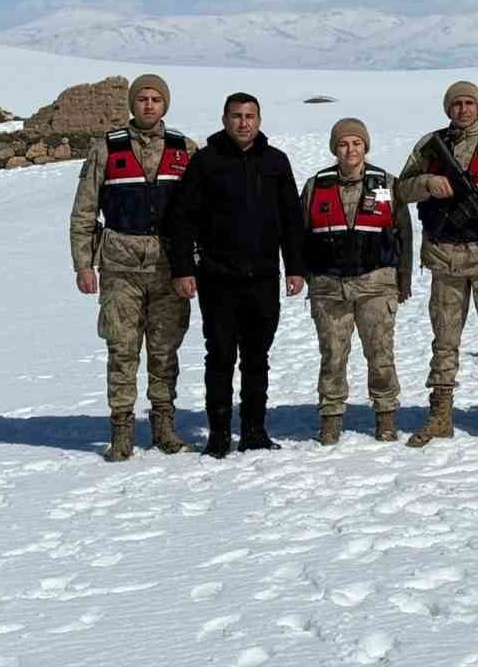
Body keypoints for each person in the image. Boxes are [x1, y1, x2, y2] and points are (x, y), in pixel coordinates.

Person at [165, 92, 306, 457]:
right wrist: (183, 269)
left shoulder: (275, 161)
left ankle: (254, 430)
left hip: (262, 276)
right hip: (217, 277)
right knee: (221, 355)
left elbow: (291, 219)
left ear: (259, 120)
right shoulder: (207, 161)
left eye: (250, 116)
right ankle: (218, 433)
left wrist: (295, 268)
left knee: (257, 356)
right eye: (236, 116)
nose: (244, 123)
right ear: (224, 119)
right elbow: (182, 220)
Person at [68, 73, 200, 461]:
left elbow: (202, 212)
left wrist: (197, 264)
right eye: (141, 99)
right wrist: (83, 264)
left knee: (164, 350)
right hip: (120, 267)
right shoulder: (106, 149)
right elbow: (84, 212)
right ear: (131, 103)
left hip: (169, 266)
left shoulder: (184, 150)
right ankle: (122, 428)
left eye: (155, 99)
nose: (147, 105)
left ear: (165, 105)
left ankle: (163, 424)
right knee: (122, 348)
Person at [396, 81, 478, 448]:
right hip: (445, 258)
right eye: (457, 103)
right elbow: (400, 190)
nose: (464, 109)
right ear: (447, 108)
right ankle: (440, 413)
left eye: (470, 103)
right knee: (445, 339)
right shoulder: (430, 146)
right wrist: (428, 182)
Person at [301, 118, 414, 445]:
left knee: (380, 353)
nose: (350, 150)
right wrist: (304, 274)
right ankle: (331, 416)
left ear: (366, 147)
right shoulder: (315, 186)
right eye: (343, 144)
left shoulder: (386, 184)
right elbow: (300, 235)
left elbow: (403, 234)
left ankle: (385, 415)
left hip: (376, 284)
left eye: (356, 143)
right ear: (334, 148)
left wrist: (402, 280)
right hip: (329, 287)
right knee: (333, 355)